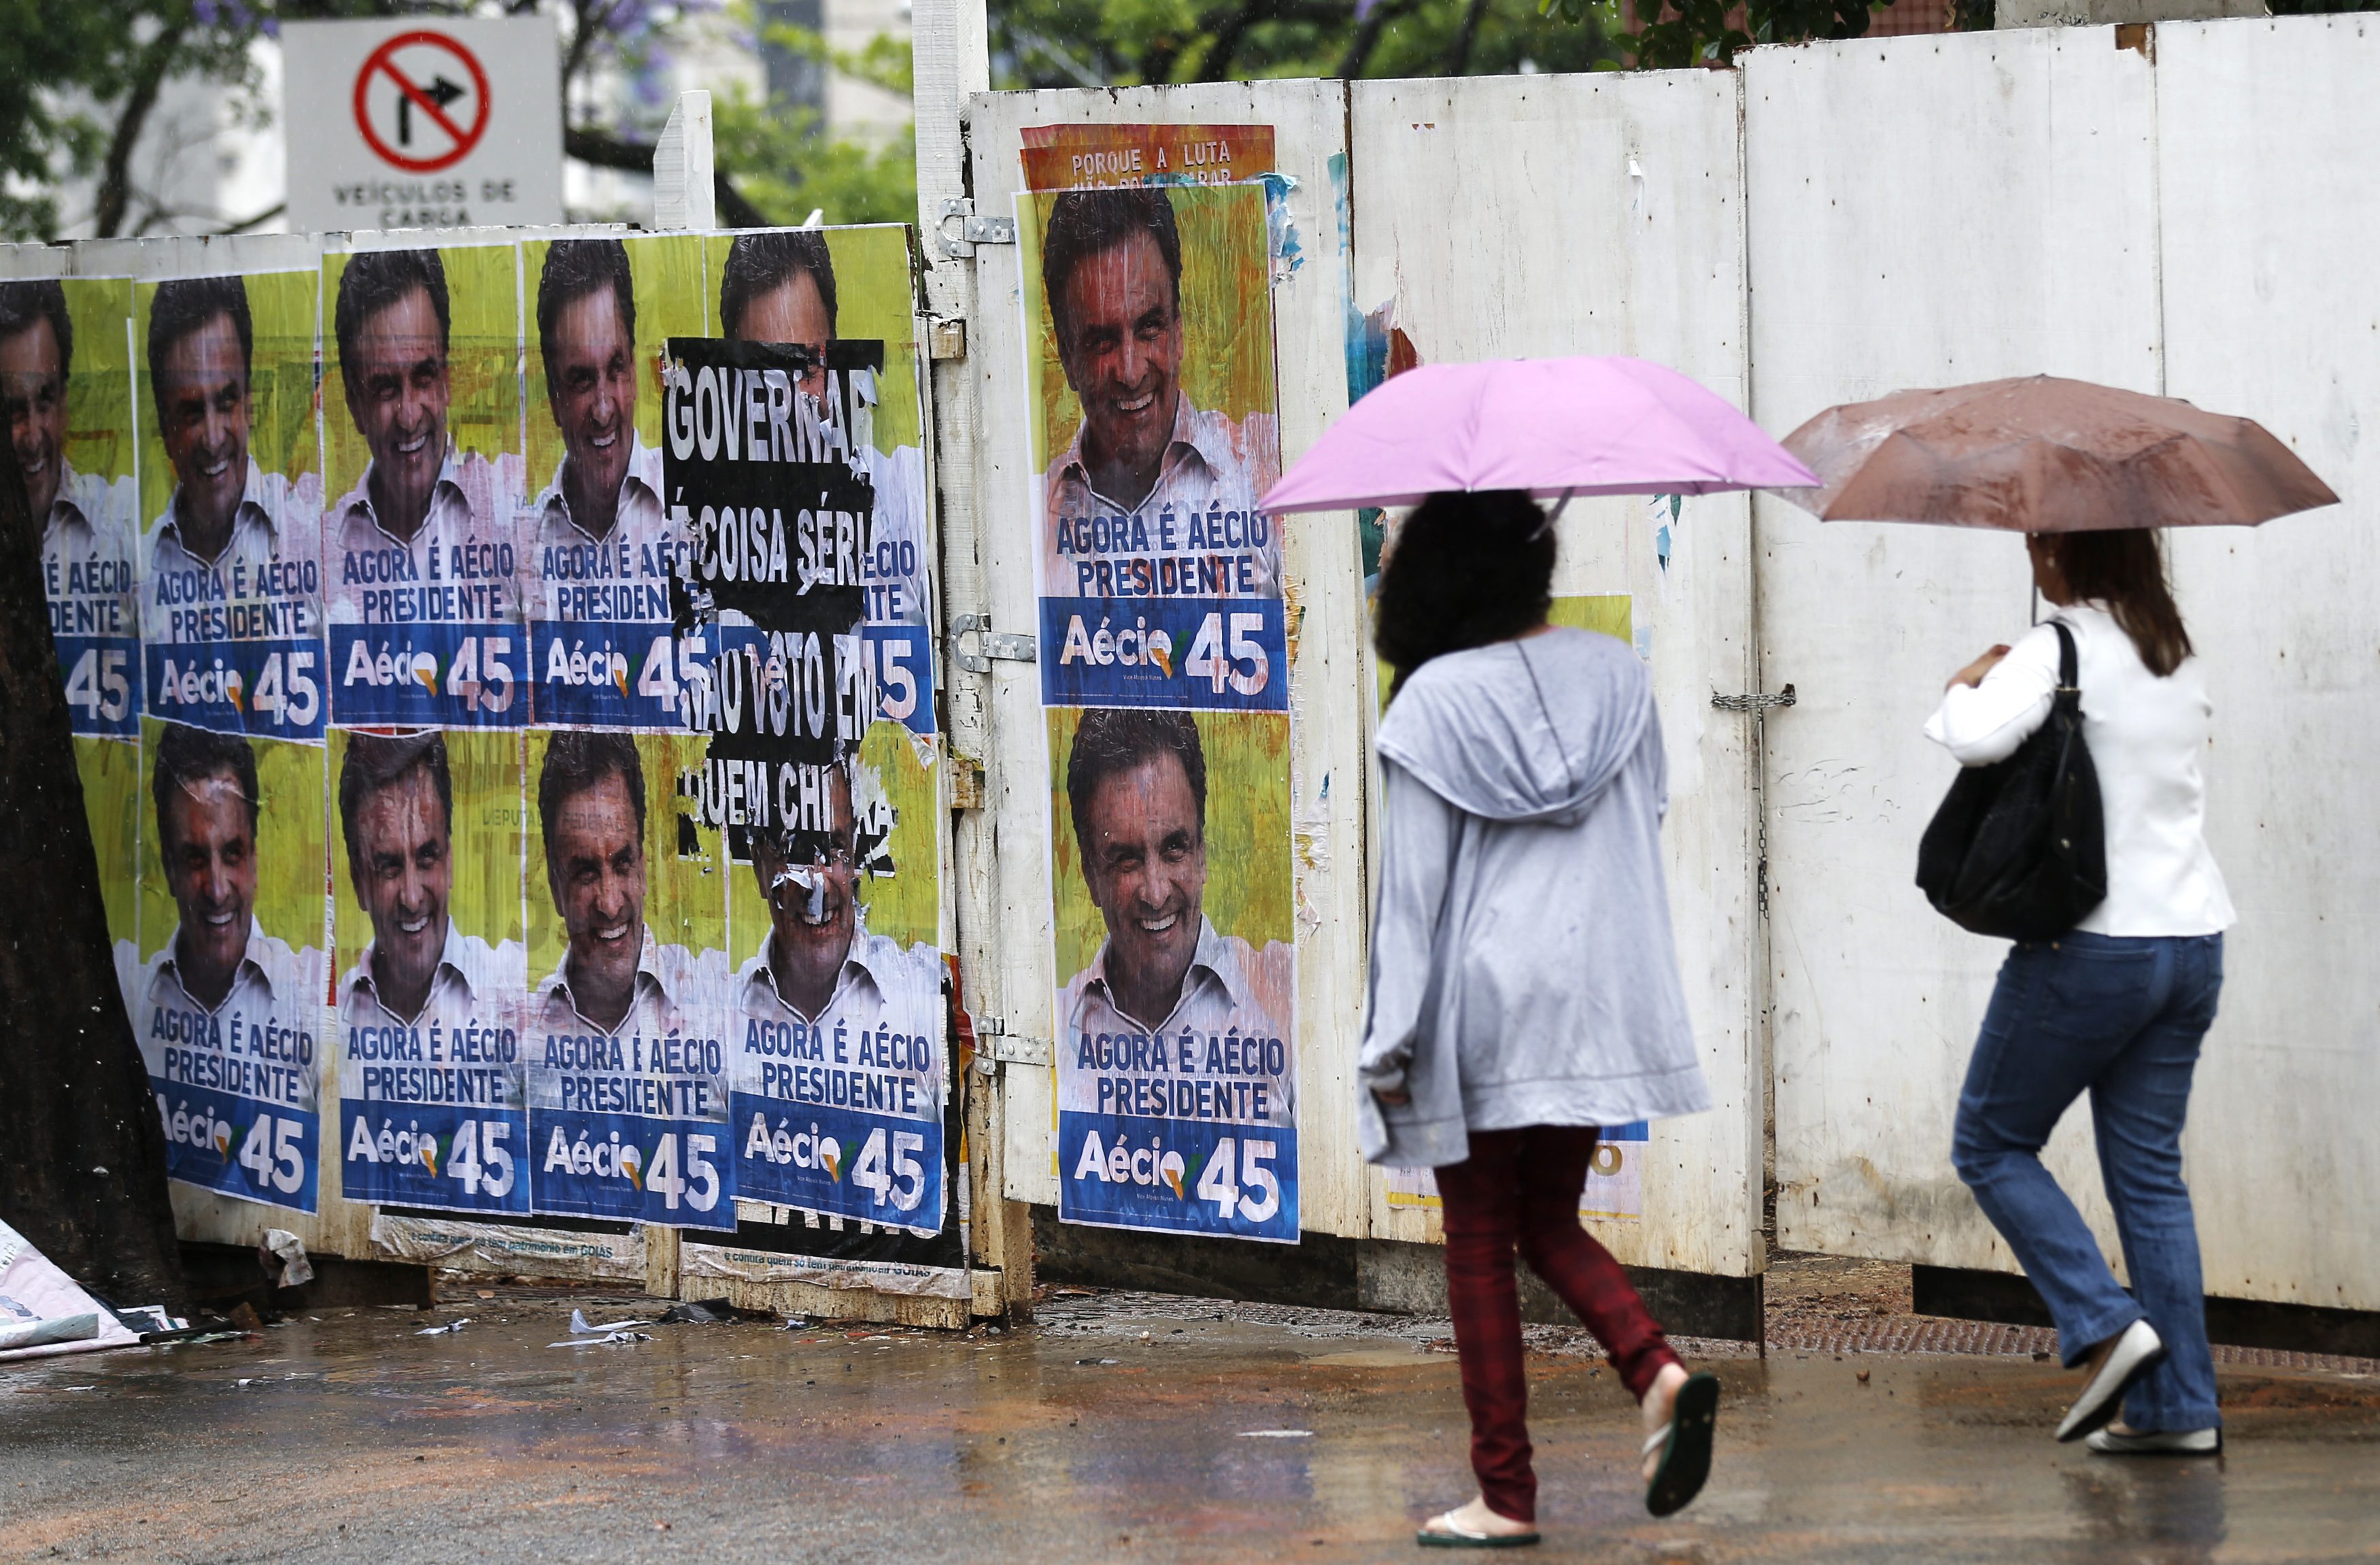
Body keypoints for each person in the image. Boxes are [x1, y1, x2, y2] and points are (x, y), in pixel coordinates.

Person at [1358, 491, 1718, 1546]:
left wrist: (1387, 1046)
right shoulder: (1618, 675)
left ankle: (1505, 1496)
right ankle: (1655, 1372)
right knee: (1549, 1220)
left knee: (1477, 1236)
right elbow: (1644, 813)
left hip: (1481, 1012)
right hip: (1595, 1001)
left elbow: (1412, 896)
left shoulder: (1430, 704)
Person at [1933, 529, 2232, 1456]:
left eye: (2038, 538)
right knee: (2149, 1178)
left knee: (1989, 1142)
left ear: (2067, 551)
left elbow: (1972, 735)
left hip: (2091, 949)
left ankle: (2105, 1321)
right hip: (2190, 941)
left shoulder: (2055, 647)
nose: (2030, 550)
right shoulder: (2171, 653)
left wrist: (1964, 678)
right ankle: (2177, 1409)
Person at [1036, 188, 1280, 599]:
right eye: (1102, 342)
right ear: (1067, 356)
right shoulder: (1035, 513)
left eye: (1150, 327)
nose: (1131, 373)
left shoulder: (1268, 467)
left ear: (1179, 330)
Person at [734, 758, 946, 1222]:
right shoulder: (726, 1017)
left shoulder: (919, 997)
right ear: (760, 865)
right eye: (797, 852)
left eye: (832, 850)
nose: (818, 885)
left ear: (855, 862)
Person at [718, 231, 928, 639]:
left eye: (810, 365)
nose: (799, 402)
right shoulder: (696, 531)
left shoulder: (905, 492)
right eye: (771, 372)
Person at [1059, 707, 1291, 1068]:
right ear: (1090, 875)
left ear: (1202, 854)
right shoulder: (1052, 1027)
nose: (1156, 893)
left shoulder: (1288, 997)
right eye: (1126, 860)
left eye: (1173, 849)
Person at [326, 248, 522, 628]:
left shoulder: (512, 516)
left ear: (447, 381)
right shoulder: (323, 549)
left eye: (423, 377)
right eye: (384, 388)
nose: (410, 415)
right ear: (354, 404)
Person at [139, 275, 322, 658]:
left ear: (251, 403)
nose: (213, 438)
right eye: (191, 412)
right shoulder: (139, 573)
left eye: (226, 402)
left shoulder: (314, 539)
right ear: (164, 427)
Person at [1, 280, 139, 726]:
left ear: (65, 397)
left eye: (46, 399)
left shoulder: (118, 524)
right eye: (12, 411)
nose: (34, 435)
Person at [337, 731, 517, 1034]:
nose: (411, 898)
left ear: (449, 860)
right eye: (389, 867)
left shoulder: (509, 992)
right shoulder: (334, 1019)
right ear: (359, 882)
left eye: (426, 859)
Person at [534, 731, 707, 1040]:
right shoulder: (528, 1029)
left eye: (622, 864)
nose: (610, 905)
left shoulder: (711, 999)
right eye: (586, 874)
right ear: (554, 883)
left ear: (642, 865)